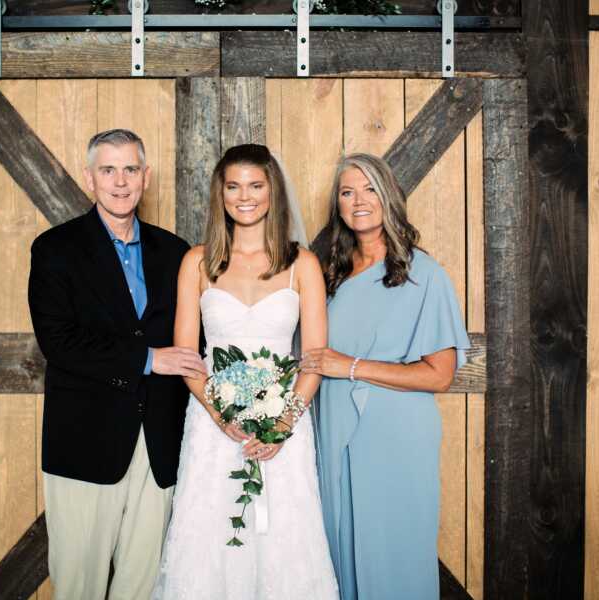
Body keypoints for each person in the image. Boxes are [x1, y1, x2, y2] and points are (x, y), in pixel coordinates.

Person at [152, 144, 338, 599]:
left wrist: (283, 423)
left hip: (283, 427)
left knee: (283, 541)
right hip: (213, 424)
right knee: (210, 538)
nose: (245, 196)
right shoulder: (197, 261)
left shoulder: (302, 264)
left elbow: (314, 358)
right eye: (233, 187)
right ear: (221, 195)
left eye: (255, 186)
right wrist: (218, 414)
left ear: (273, 192)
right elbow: (185, 355)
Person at [28, 128, 207, 600]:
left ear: (146, 177)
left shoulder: (176, 252)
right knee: (78, 583)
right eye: (108, 169)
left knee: (142, 582)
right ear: (90, 178)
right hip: (86, 442)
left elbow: (197, 339)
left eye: (130, 169)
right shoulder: (55, 249)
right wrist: (149, 358)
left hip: (159, 444)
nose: (120, 181)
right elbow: (59, 341)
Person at [301, 153, 471, 600]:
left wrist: (350, 366)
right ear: (337, 205)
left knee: (393, 558)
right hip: (334, 429)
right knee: (338, 556)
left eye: (369, 188)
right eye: (347, 191)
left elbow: (440, 375)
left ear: (389, 197)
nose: (358, 200)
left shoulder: (423, 275)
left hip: (395, 437)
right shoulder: (327, 274)